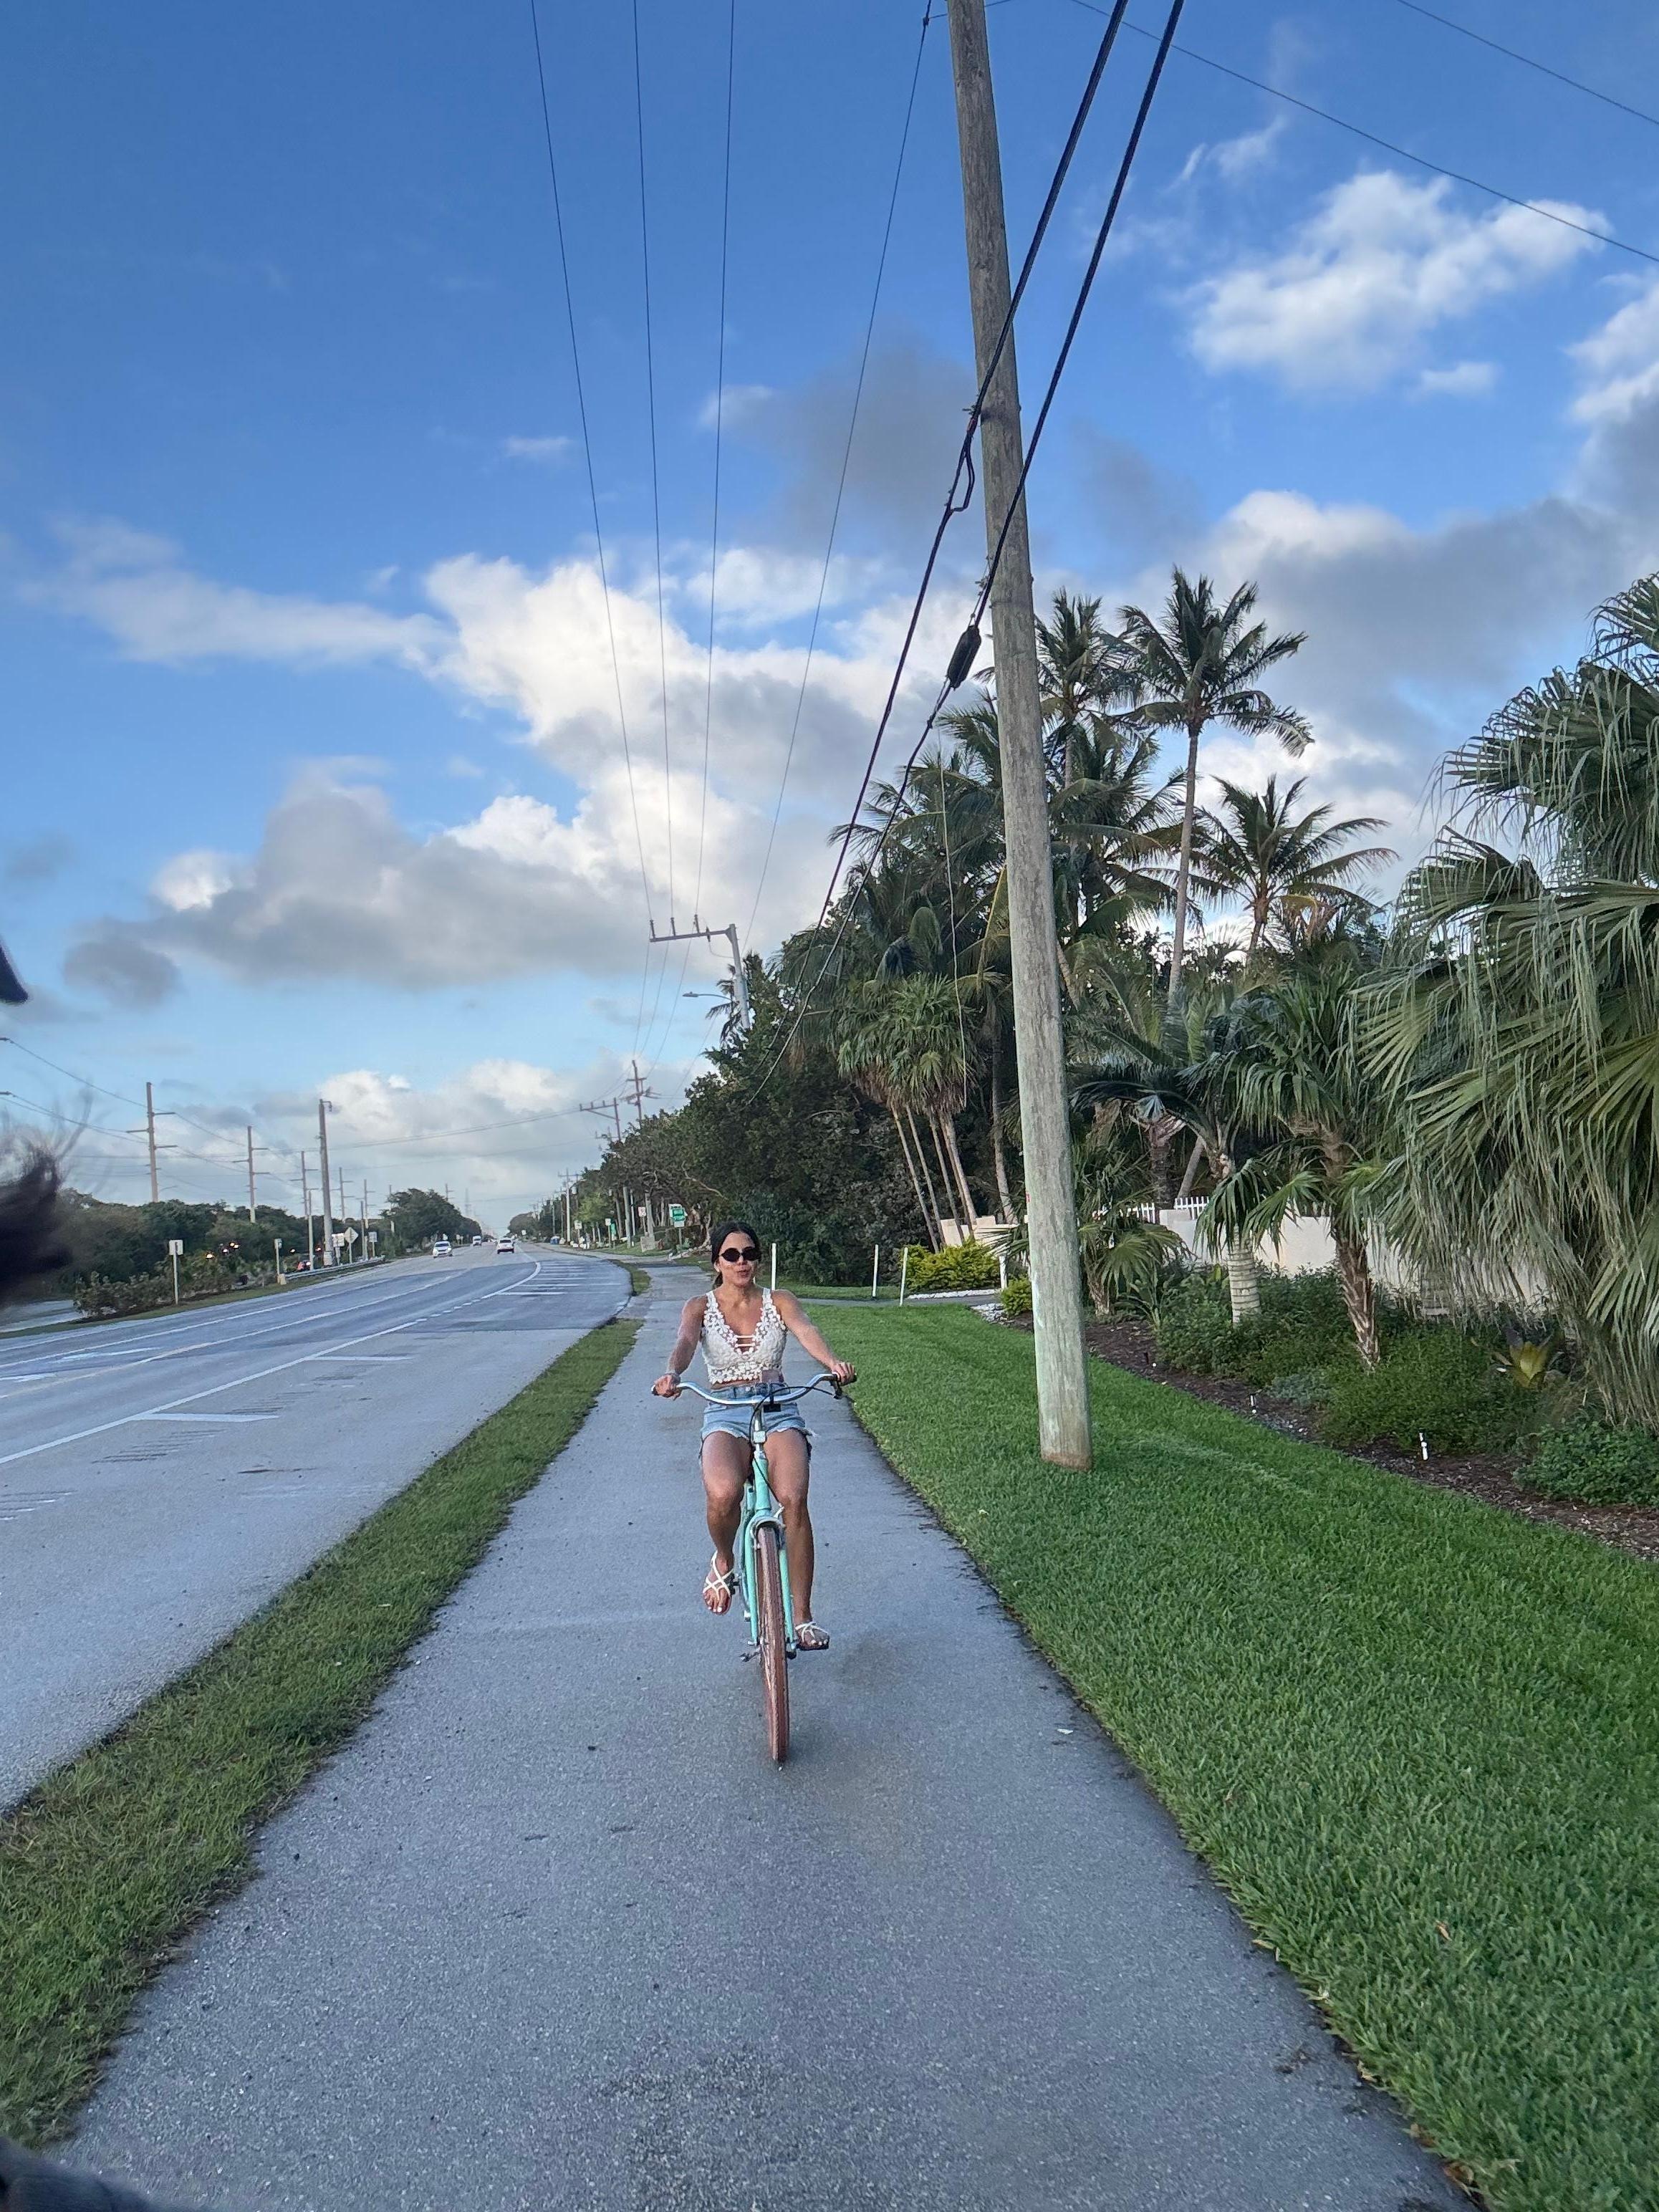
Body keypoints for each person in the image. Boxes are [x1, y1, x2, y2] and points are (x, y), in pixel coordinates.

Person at [652, 1221, 853, 1650]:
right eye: (731, 1255)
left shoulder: (780, 1300)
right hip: (724, 1408)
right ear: (717, 1262)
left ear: (758, 1260)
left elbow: (806, 1331)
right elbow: (685, 1342)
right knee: (723, 1493)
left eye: (749, 1254)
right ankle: (724, 1559)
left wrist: (832, 1363)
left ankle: (803, 1617)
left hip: (778, 1404)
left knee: (794, 1499)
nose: (741, 1262)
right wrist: (673, 1373)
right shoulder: (699, 1307)